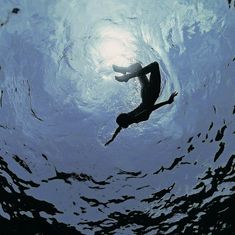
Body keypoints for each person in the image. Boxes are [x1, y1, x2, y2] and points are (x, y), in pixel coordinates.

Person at [105, 61, 177, 146]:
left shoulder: (130, 119)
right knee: (138, 66)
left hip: (151, 95)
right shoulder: (137, 117)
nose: (127, 113)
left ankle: (127, 75)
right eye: (125, 114)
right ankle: (125, 72)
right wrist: (167, 102)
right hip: (145, 94)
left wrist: (112, 138)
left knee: (154, 66)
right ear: (126, 118)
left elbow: (119, 128)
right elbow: (151, 108)